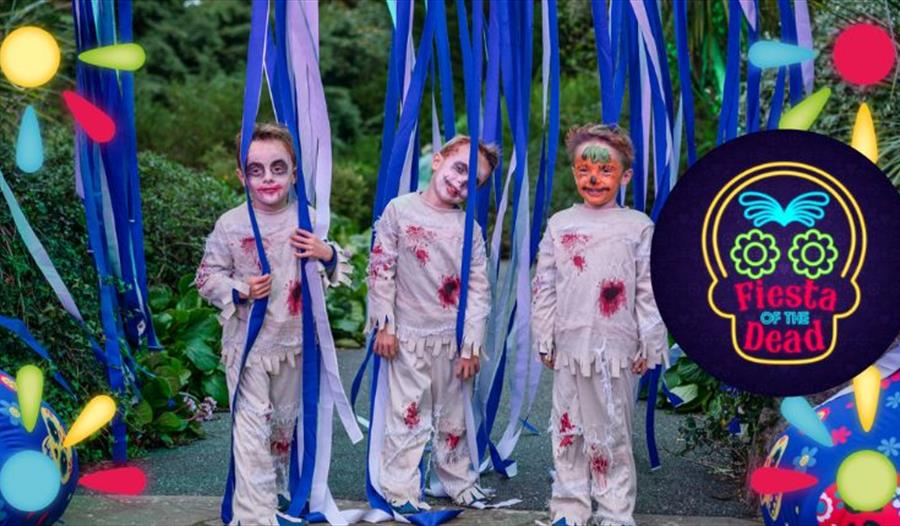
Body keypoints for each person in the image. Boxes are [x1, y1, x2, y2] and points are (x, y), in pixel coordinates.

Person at [196, 122, 351, 525]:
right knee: (251, 429)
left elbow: (337, 269)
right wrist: (240, 288)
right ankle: (254, 516)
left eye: (278, 168)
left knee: (282, 428)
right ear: (241, 176)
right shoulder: (231, 225)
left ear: (294, 173)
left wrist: (326, 252)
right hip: (247, 346)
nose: (268, 178)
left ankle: (277, 496)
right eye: (256, 169)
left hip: (294, 343)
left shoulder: (310, 218)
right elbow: (206, 277)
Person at [531, 124, 669, 526]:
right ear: (574, 173)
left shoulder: (638, 226)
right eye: (584, 171)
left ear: (624, 176)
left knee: (612, 431)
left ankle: (613, 512)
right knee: (568, 427)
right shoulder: (560, 224)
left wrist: (649, 343)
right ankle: (569, 508)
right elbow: (545, 285)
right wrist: (545, 337)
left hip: (618, 349)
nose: (593, 179)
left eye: (605, 171)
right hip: (570, 346)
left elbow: (649, 288)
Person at [365, 135, 499, 512]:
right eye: (459, 168)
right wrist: (385, 325)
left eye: (472, 181)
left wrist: (472, 346)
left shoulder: (468, 228)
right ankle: (400, 490)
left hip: (452, 341)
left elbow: (477, 290)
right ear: (438, 160)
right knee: (407, 411)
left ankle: (456, 480)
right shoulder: (399, 210)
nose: (460, 182)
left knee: (454, 414)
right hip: (406, 335)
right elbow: (381, 268)